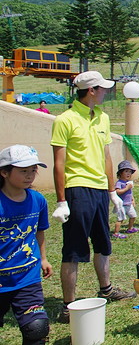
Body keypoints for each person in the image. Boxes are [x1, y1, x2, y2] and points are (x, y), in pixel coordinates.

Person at [50, 70, 136, 324]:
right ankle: (68, 305)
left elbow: (107, 157)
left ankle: (106, 289)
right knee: (74, 249)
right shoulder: (64, 120)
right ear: (91, 91)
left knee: (103, 244)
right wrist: (61, 199)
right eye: (103, 89)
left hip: (100, 189)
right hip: (77, 188)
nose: (106, 92)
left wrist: (112, 192)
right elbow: (59, 162)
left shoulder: (103, 118)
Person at [0, 145, 52, 345]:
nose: (30, 175)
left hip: (27, 277)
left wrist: (44, 258)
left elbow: (39, 231)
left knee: (36, 328)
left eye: (33, 170)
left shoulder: (38, 200)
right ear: (4, 172)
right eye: (23, 171)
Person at [112, 160, 139, 238]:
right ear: (120, 173)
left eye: (130, 172)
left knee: (133, 216)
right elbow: (117, 192)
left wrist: (132, 199)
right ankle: (116, 233)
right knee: (121, 219)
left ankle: (130, 228)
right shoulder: (119, 183)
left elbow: (130, 192)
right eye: (126, 171)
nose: (128, 173)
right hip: (122, 204)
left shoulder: (129, 182)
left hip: (128, 204)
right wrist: (126, 188)